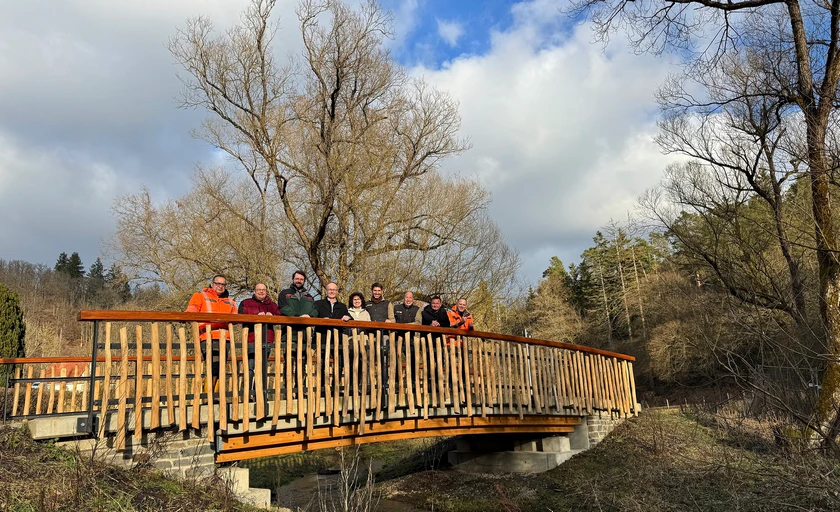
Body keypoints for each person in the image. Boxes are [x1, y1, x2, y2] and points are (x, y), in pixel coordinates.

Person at [185, 274, 237, 382]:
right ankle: (208, 391)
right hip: (208, 336)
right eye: (218, 283)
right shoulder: (200, 296)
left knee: (221, 368)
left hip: (225, 337)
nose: (220, 286)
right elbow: (191, 311)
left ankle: (214, 391)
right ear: (212, 284)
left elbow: (236, 318)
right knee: (214, 366)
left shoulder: (230, 301)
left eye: (223, 284)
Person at [238, 283, 281, 390]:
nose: (261, 291)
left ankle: (259, 392)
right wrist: (256, 317)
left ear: (266, 292)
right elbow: (240, 317)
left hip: (267, 339)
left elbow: (280, 317)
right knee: (250, 367)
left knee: (262, 367)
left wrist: (272, 316)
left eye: (263, 290)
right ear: (254, 291)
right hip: (251, 339)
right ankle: (247, 392)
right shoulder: (246, 303)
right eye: (259, 289)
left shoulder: (272, 305)